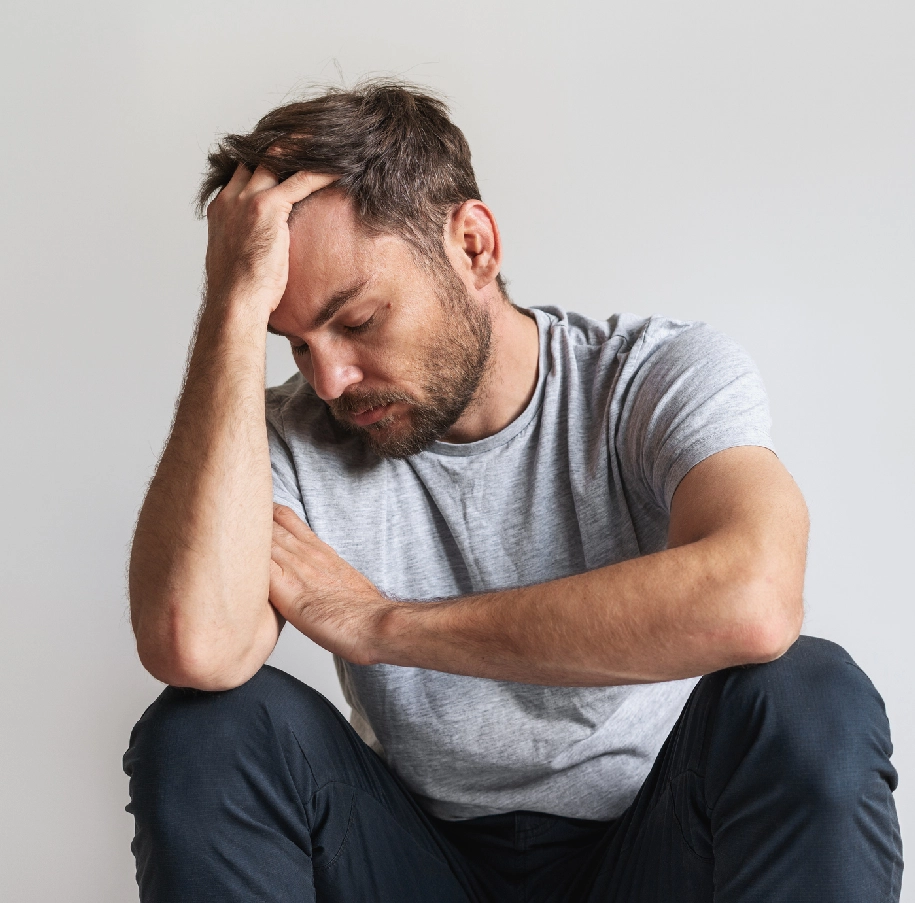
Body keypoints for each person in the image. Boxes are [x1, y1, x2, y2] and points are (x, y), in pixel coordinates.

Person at [123, 80, 903, 902]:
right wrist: (230, 308)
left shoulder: (648, 378)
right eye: (293, 342)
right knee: (203, 729)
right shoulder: (286, 435)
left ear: (472, 246)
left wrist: (385, 626)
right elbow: (194, 645)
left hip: (653, 855)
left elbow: (754, 597)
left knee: (807, 696)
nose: (331, 379)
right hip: (414, 866)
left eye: (356, 321)